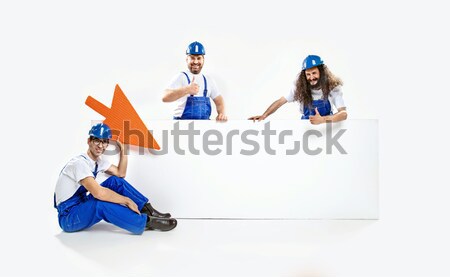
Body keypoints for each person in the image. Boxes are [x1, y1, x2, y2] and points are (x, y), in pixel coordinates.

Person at [54, 123, 177, 235]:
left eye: (104, 142)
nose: (100, 146)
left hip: (81, 204)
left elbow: (120, 173)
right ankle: (146, 222)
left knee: (114, 181)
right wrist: (126, 200)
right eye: (97, 140)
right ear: (89, 141)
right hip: (69, 217)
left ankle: (149, 210)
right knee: (99, 204)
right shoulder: (79, 163)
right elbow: (98, 193)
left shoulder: (98, 162)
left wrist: (123, 150)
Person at [249, 55, 347, 124]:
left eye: (314, 73)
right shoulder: (300, 86)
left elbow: (343, 114)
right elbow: (280, 101)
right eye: (308, 74)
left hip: (327, 128)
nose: (311, 77)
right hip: (305, 128)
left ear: (322, 72)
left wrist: (323, 120)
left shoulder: (333, 87)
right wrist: (264, 115)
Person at [162, 41, 227, 121]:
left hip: (204, 127)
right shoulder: (181, 77)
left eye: (199, 58)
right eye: (192, 58)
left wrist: (221, 113)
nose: (196, 62)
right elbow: (164, 97)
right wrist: (186, 89)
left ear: (203, 59)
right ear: (187, 59)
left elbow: (219, 101)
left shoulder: (208, 80)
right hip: (181, 127)